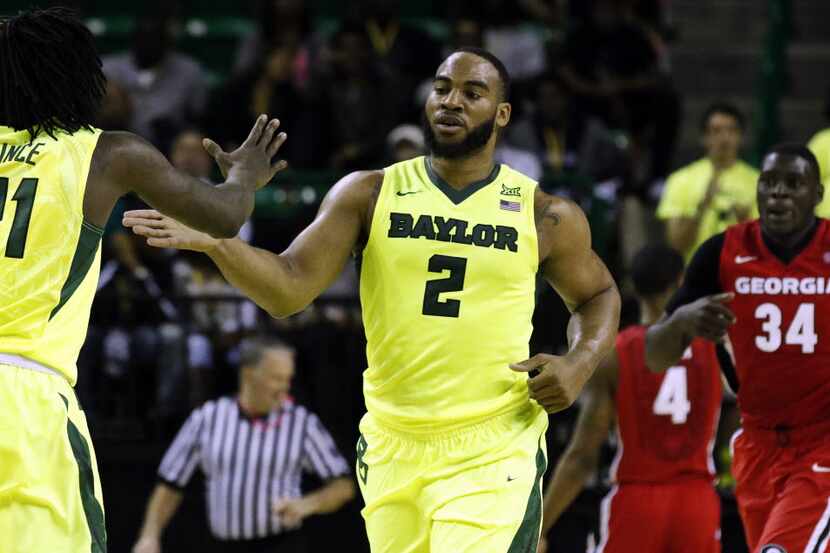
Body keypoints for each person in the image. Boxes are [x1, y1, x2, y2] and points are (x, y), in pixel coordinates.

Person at [125, 47, 621, 552]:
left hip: (494, 444)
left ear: (502, 114)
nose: (452, 101)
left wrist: (580, 362)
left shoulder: (543, 213)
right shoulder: (368, 192)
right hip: (393, 441)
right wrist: (218, 242)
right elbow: (288, 289)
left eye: (472, 93)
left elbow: (599, 294)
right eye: (442, 88)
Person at [0, 8, 287, 553]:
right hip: (24, 396)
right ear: (78, 75)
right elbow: (224, 217)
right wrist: (245, 177)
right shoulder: (106, 153)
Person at [645, 144, 830, 552]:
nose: (779, 193)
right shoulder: (721, 252)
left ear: (817, 195)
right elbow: (654, 356)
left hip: (822, 441)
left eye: (794, 184)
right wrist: (681, 321)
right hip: (758, 444)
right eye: (769, 183)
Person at [537, 244, 722, 553]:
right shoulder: (712, 347)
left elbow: (583, 456)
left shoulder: (616, 355)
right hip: (698, 499)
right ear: (681, 282)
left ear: (632, 288)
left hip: (637, 500)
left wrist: (541, 527)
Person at [132, 337, 355, 553]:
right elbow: (170, 484)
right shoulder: (208, 418)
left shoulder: (302, 422)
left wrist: (307, 504)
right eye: (276, 378)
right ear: (249, 374)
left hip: (282, 545)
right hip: (222, 546)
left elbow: (344, 486)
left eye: (288, 379)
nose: (285, 388)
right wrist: (149, 535)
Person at [657, 103, 759, 261]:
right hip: (693, 277)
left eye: (731, 130)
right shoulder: (680, 180)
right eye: (716, 131)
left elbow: (766, 250)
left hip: (740, 276)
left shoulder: (759, 181)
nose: (724, 138)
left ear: (741, 137)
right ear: (704, 137)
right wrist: (702, 207)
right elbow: (675, 245)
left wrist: (744, 223)